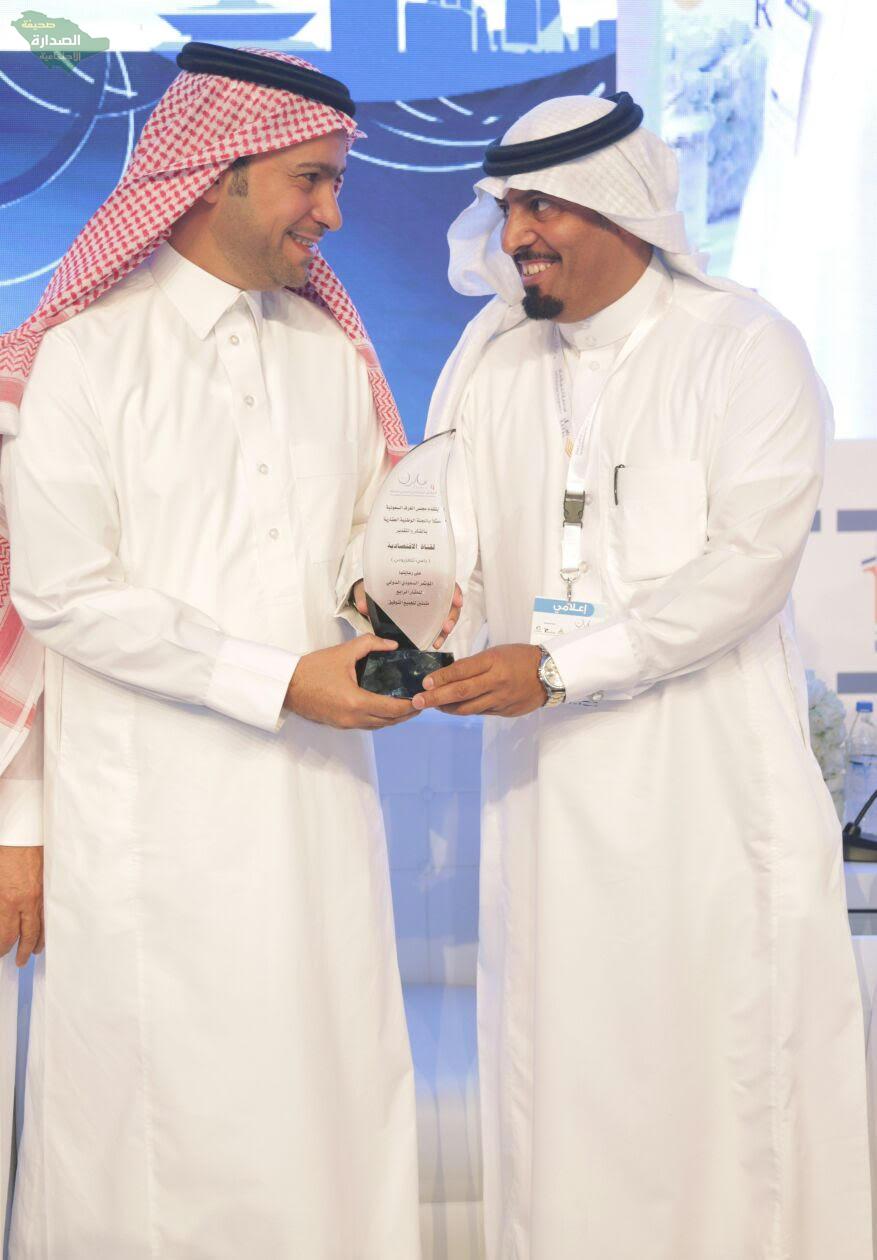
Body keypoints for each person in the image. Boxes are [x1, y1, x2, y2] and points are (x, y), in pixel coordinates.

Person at [417, 92, 873, 1260]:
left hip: (706, 796)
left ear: (621, 206)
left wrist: (561, 666)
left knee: (721, 1074)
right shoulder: (493, 363)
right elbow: (448, 543)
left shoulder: (742, 345)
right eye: (507, 207)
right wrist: (420, 618)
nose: (517, 234)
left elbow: (747, 567)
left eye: (544, 206)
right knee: (562, 1077)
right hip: (549, 800)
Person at [0, 42, 429, 1259]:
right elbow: (62, 593)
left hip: (317, 818)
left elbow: (362, 548)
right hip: (155, 830)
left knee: (325, 1100)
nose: (331, 213)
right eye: (311, 179)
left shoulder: (328, 354)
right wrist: (277, 680)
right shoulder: (87, 356)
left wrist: (398, 606)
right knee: (165, 1137)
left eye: (337, 182)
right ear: (217, 172)